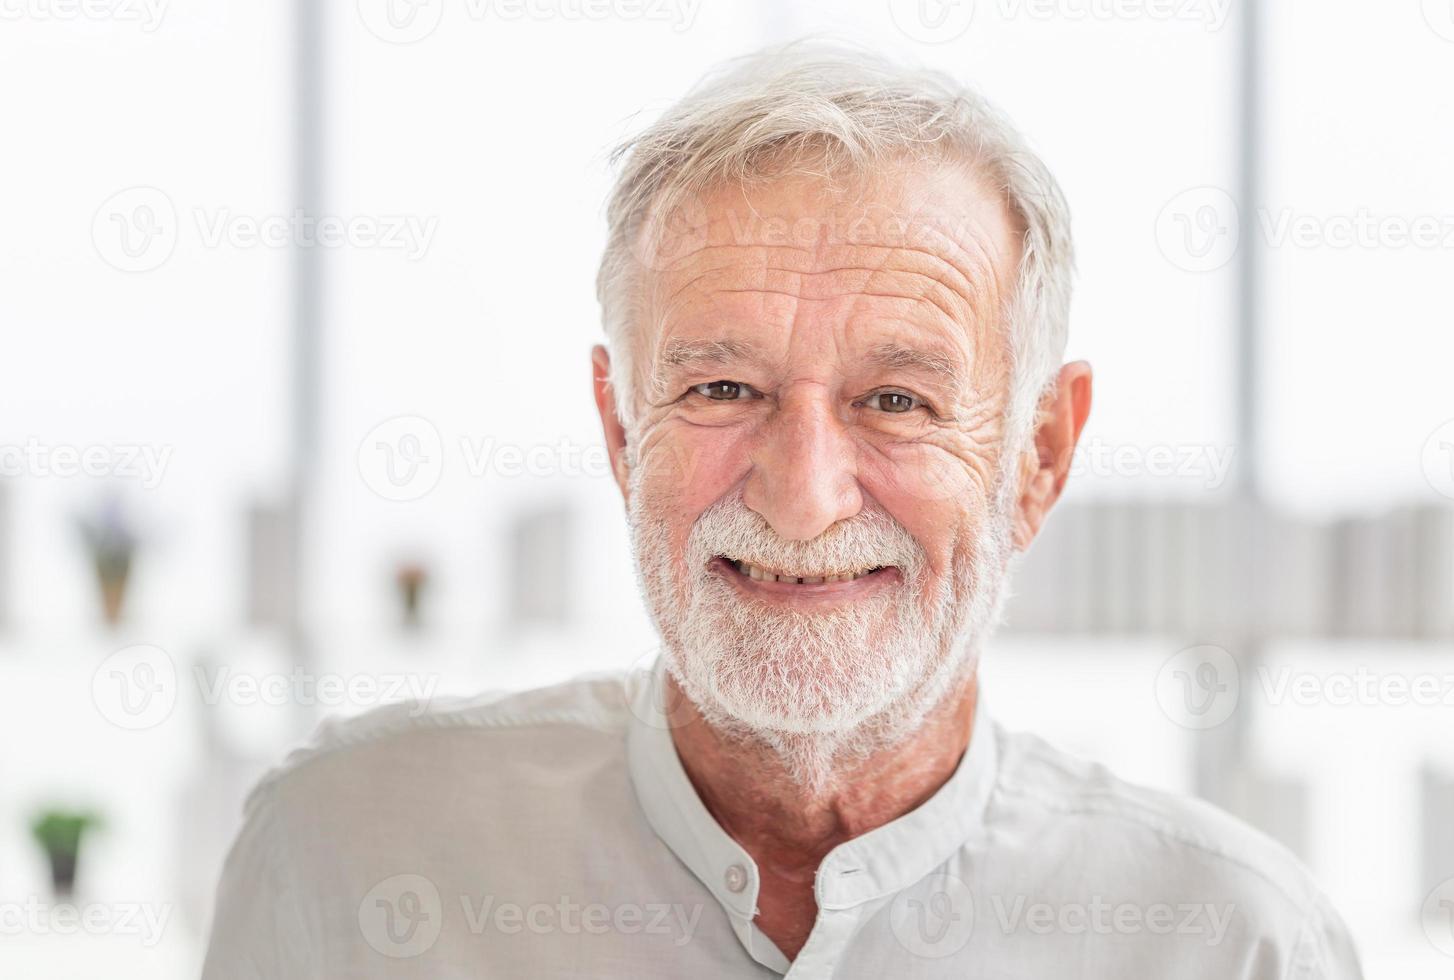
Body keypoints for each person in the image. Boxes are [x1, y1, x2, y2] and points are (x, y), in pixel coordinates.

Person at [201, 42, 1362, 978]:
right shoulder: (347, 856)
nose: (801, 497)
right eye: (720, 387)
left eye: (896, 399)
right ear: (618, 429)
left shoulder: (1237, 941)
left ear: (1036, 456)